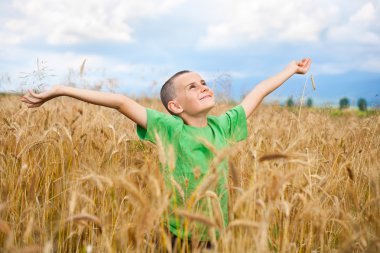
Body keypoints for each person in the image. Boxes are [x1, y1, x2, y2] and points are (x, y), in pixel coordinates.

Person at [21, 58, 312, 249]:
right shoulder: (169, 128)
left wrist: (291, 69)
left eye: (204, 83)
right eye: (192, 86)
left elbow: (258, 92)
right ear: (175, 106)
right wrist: (60, 89)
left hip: (213, 235)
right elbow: (121, 102)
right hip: (174, 233)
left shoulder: (223, 127)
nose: (203, 87)